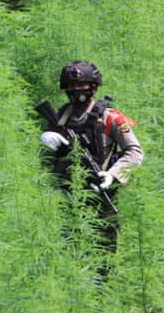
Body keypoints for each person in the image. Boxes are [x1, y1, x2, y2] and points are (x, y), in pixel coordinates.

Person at [39, 61, 143, 276]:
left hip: (100, 195)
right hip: (66, 197)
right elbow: (43, 164)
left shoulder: (110, 117)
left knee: (103, 260)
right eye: (71, 87)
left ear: (93, 87)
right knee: (68, 255)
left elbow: (134, 152)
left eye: (82, 87)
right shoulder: (59, 119)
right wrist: (46, 144)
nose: (76, 92)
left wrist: (112, 175)